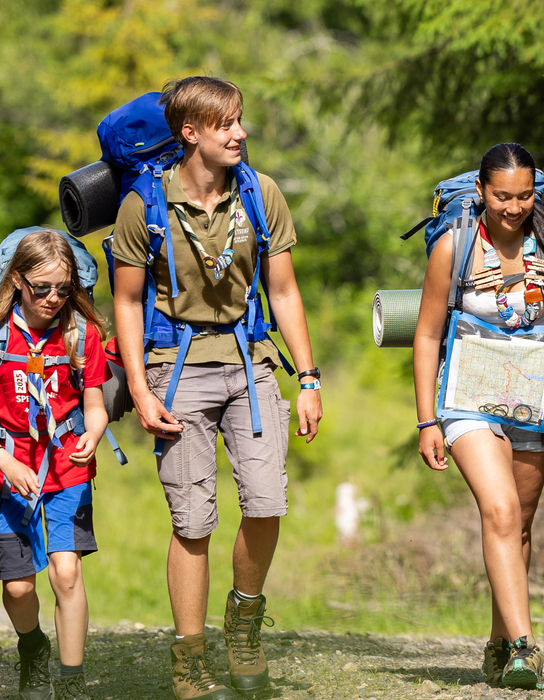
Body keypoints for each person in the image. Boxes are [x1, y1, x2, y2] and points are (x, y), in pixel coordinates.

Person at [108, 76, 322, 700]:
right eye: (226, 124)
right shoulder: (142, 207)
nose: (241, 134)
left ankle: (244, 623)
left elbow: (283, 291)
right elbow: (124, 302)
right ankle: (190, 656)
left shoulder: (260, 193)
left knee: (265, 503)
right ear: (190, 133)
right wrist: (142, 391)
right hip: (174, 368)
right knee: (192, 520)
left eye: (241, 120)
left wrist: (307, 378)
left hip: (251, 365)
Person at [411, 143, 544, 690]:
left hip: (537, 400)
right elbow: (426, 334)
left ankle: (497, 642)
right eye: (502, 196)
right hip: (467, 399)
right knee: (500, 509)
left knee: (520, 524)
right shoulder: (455, 246)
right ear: (482, 193)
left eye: (525, 195)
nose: (514, 207)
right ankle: (524, 646)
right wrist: (426, 421)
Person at [0, 230, 111, 700]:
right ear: (17, 280)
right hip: (10, 470)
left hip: (67, 466)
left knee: (67, 571)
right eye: (42, 288)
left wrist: (93, 433)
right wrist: (3, 459)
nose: (53, 298)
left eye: (63, 289)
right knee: (20, 588)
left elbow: (95, 405)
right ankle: (33, 646)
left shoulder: (81, 335)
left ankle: (71, 680)